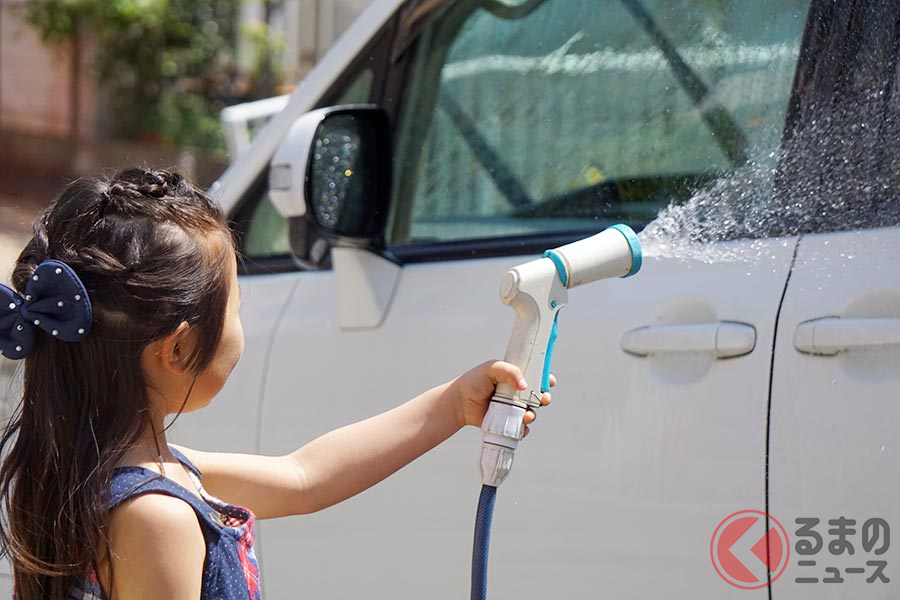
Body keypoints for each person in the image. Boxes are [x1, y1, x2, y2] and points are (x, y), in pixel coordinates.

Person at [0, 168, 553, 600]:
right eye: (236, 308)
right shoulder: (156, 515)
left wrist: (454, 404)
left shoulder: (80, 467)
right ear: (179, 349)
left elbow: (304, 476)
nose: (242, 325)